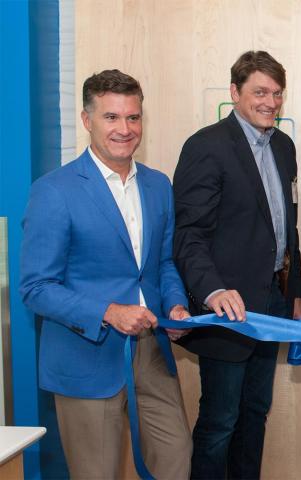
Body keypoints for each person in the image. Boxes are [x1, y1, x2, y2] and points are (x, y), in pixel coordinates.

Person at [20, 69, 192, 478]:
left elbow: (163, 263)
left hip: (151, 351)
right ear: (86, 121)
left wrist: (176, 304)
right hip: (85, 358)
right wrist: (108, 311)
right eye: (111, 117)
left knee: (177, 457)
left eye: (133, 117)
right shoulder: (54, 191)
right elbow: (36, 288)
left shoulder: (157, 185)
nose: (124, 128)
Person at [173, 50, 301, 479]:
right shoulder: (206, 146)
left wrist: (295, 292)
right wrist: (212, 292)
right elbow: (188, 234)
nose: (270, 102)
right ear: (235, 92)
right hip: (226, 309)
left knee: (256, 411)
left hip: (271, 300)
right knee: (220, 422)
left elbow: (289, 227)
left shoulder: (284, 146)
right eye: (260, 92)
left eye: (277, 94)